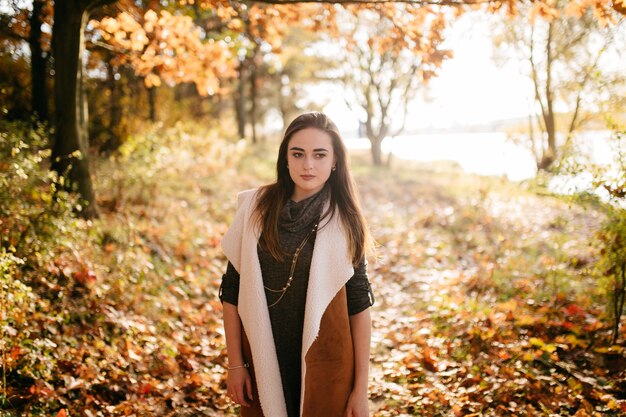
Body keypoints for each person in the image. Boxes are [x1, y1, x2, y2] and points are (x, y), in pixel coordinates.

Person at [219, 112, 375, 417]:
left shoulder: (346, 222)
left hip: (328, 364)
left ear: (334, 161)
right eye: (298, 153)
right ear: (285, 158)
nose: (308, 165)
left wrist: (361, 388)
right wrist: (235, 364)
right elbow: (231, 291)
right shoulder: (254, 209)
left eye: (319, 155)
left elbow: (359, 306)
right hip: (263, 354)